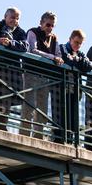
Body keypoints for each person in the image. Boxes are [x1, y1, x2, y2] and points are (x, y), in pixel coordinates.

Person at [20, 11, 63, 139]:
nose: (50, 28)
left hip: (45, 77)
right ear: (41, 23)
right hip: (31, 73)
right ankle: (24, 136)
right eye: (48, 24)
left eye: (52, 26)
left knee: (42, 109)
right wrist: (52, 57)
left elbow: (58, 54)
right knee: (29, 106)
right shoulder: (32, 32)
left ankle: (38, 137)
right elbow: (32, 50)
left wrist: (57, 58)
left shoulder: (54, 38)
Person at [0, 7, 28, 131]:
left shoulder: (21, 32)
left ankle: (2, 126)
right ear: (5, 16)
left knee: (7, 100)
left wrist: (11, 43)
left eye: (17, 18)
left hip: (11, 72)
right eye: (12, 17)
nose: (14, 20)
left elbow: (25, 46)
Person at [58, 29, 92, 143]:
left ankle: (71, 139)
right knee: (61, 114)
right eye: (76, 42)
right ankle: (60, 138)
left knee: (73, 116)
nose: (77, 45)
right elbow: (67, 60)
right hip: (61, 88)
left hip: (75, 89)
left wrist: (77, 60)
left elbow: (89, 65)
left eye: (80, 43)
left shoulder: (80, 53)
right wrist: (78, 62)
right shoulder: (62, 47)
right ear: (70, 39)